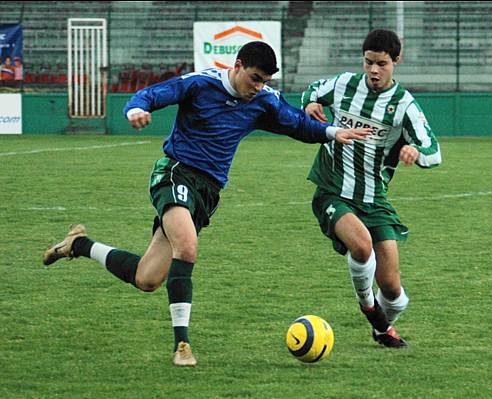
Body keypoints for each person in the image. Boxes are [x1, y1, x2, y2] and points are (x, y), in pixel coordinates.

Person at [42, 41, 370, 367]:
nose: (258, 87)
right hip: (176, 174)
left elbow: (296, 123)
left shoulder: (263, 101)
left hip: (207, 194)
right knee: (186, 247)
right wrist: (135, 109)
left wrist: (330, 132)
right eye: (255, 78)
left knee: (147, 278)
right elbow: (154, 94)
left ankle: (79, 244)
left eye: (265, 82)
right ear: (238, 65)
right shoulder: (201, 84)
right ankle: (182, 345)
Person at [302, 29, 441, 348]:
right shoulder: (343, 85)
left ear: (396, 60)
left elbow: (434, 150)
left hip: (374, 199)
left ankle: (381, 328)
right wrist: (310, 104)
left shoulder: (404, 105)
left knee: (394, 292)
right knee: (361, 246)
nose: (374, 71)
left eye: (381, 64)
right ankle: (369, 308)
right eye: (368, 63)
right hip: (332, 189)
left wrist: (417, 153)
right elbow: (312, 90)